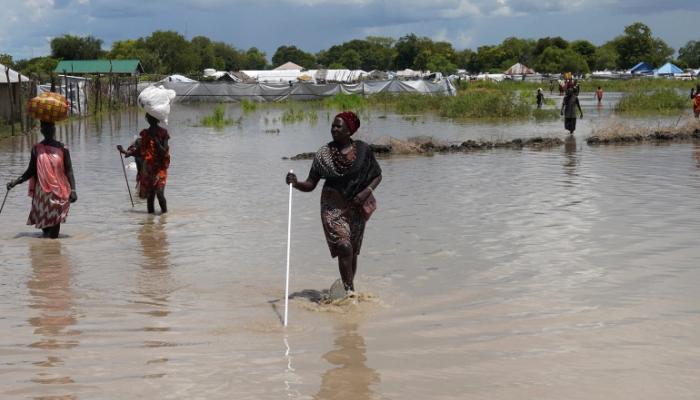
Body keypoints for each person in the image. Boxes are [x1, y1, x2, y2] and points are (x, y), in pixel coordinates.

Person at [285, 111, 382, 294]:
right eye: (333, 126)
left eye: (339, 126)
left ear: (349, 131)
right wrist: (296, 183)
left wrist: (365, 192)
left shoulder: (363, 150)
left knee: (352, 251)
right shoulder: (324, 154)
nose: (334, 129)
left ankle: (347, 291)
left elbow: (377, 175)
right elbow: (310, 184)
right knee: (344, 247)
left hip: (356, 207)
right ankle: (349, 292)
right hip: (332, 208)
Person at [6, 120, 78, 238]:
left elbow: (69, 171)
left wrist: (73, 190)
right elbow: (31, 171)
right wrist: (15, 182)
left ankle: (53, 254)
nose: (48, 130)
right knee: (45, 233)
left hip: (58, 193)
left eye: (51, 127)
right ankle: (45, 254)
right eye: (45, 127)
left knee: (54, 235)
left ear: (54, 129)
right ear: (42, 130)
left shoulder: (63, 148)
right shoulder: (37, 149)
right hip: (42, 196)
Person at [117, 113, 170, 213]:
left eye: (152, 118)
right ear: (147, 119)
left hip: (160, 169)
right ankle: (150, 222)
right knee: (150, 198)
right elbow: (139, 151)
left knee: (159, 193)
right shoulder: (145, 134)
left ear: (157, 119)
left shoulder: (163, 133)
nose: (150, 120)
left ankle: (164, 217)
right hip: (148, 169)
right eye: (149, 118)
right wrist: (124, 151)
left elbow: (165, 152)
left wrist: (157, 142)